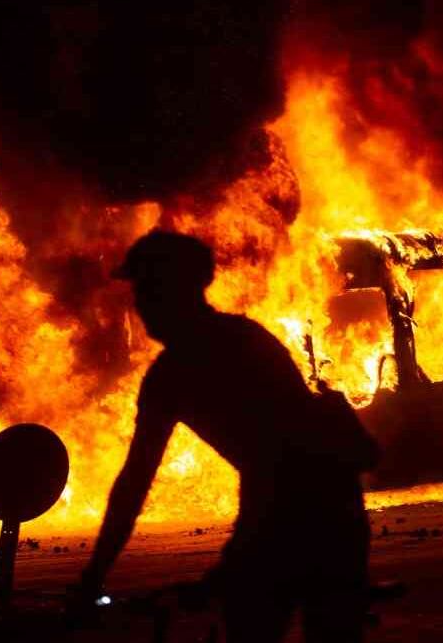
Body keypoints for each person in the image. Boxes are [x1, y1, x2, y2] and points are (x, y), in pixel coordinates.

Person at [72, 230, 380, 642]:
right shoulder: (244, 339)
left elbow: (136, 482)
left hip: (308, 506)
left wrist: (94, 574)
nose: (139, 304)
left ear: (173, 290)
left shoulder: (174, 374)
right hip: (331, 508)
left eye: (146, 289)